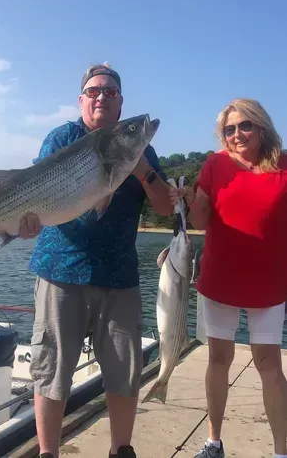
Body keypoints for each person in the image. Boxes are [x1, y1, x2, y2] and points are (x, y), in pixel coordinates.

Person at [19, 63, 173, 458]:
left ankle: (121, 451)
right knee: (52, 372)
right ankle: (48, 453)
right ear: (81, 100)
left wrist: (142, 170)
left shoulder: (143, 147)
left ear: (121, 103)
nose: (101, 96)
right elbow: (32, 192)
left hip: (118, 277)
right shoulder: (63, 138)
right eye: (94, 91)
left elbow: (166, 209)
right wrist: (23, 221)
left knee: (124, 374)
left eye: (110, 92)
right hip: (60, 272)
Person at [169, 98, 287, 458]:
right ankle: (213, 442)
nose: (237, 134)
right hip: (219, 276)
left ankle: (282, 450)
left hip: (270, 280)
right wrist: (189, 199)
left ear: (261, 127)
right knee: (218, 359)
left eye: (245, 125)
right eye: (229, 129)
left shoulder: (284, 164)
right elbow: (202, 220)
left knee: (269, 363)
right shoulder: (215, 163)